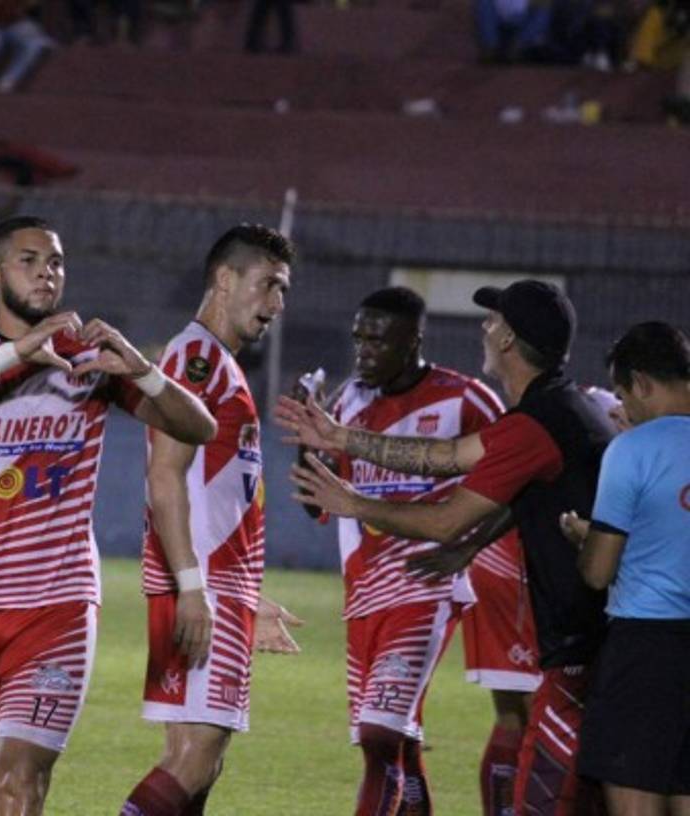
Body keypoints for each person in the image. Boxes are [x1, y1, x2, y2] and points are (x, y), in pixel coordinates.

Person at [0, 216, 217, 816]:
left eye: (56, 262)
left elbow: (200, 426)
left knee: (19, 778)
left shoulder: (87, 359)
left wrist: (141, 370)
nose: (47, 273)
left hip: (55, 606)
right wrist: (15, 353)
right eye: (29, 260)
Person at [279, 279, 614, 815]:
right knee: (399, 742)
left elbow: (449, 514)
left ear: (508, 339)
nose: (483, 328)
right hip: (372, 598)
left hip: (471, 605)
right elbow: (447, 457)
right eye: (359, 338)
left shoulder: (507, 410)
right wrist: (332, 439)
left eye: (492, 321)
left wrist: (363, 505)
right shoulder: (547, 414)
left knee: (389, 738)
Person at [120, 225, 301, 816]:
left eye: (284, 289)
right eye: (268, 284)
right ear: (225, 279)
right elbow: (165, 474)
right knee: (196, 756)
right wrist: (195, 587)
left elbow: (217, 494)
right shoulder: (198, 357)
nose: (277, 303)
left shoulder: (216, 361)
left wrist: (247, 596)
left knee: (197, 760)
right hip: (202, 586)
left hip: (216, 583)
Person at [559, 321, 690, 816]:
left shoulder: (631, 450)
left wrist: (584, 536)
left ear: (640, 383)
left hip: (646, 649)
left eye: (621, 394)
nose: (623, 409)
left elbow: (598, 570)